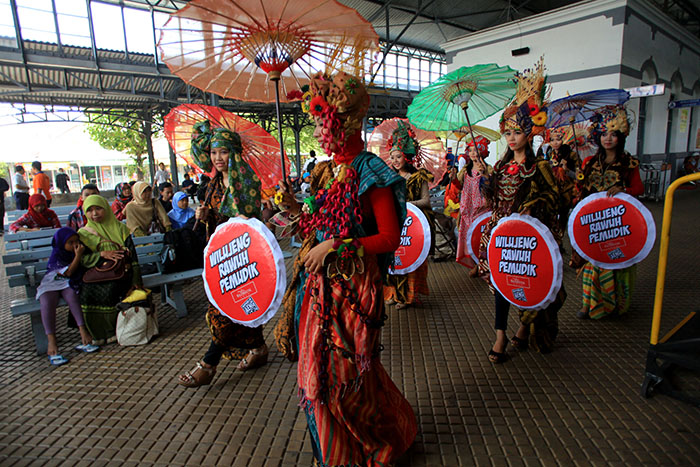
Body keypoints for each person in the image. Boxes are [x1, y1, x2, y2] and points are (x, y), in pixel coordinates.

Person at [274, 72, 417, 466]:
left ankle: (375, 445)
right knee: (317, 376)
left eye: (323, 123)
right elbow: (314, 225)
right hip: (317, 291)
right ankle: (339, 455)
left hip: (353, 291)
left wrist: (337, 245)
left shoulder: (372, 173)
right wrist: (291, 209)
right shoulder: (322, 172)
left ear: (346, 122)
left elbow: (389, 238)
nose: (319, 133)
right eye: (316, 125)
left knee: (347, 378)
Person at [479, 58, 566, 363]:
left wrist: (530, 207)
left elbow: (554, 198)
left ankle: (526, 329)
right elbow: (491, 199)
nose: (512, 138)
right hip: (501, 234)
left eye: (518, 132)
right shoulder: (501, 165)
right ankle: (501, 336)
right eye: (508, 133)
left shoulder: (539, 166)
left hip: (529, 237)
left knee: (529, 283)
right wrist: (484, 180)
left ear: (529, 133)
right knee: (502, 285)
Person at [177, 122, 269, 388]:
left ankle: (208, 364)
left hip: (243, 255)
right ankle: (259, 348)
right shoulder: (212, 184)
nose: (218, 158)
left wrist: (238, 219)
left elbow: (251, 220)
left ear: (235, 153)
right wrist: (205, 216)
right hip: (219, 255)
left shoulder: (247, 181)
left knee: (226, 308)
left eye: (224, 152)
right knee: (238, 305)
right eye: (214, 152)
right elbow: (217, 220)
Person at [574, 105, 644, 320]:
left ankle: (615, 304)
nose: (608, 138)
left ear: (621, 137)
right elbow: (581, 192)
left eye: (613, 134)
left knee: (616, 262)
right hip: (593, 222)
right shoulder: (589, 162)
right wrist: (579, 182)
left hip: (618, 223)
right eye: (603, 133)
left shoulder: (629, 163)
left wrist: (624, 190)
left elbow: (639, 189)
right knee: (591, 263)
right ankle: (588, 304)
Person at [383, 120, 435, 310]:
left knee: (409, 260)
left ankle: (408, 297)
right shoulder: (388, 178)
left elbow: (426, 201)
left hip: (412, 227)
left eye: (399, 156)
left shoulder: (418, 176)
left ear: (407, 156)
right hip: (393, 226)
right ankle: (393, 293)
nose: (395, 161)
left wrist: (406, 205)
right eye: (393, 157)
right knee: (391, 260)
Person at [78, 195, 142, 344]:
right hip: (97, 275)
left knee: (111, 289)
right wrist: (101, 254)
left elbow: (132, 256)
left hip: (122, 273)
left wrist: (136, 280)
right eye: (90, 210)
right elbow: (83, 260)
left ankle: (115, 330)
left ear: (106, 209)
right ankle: (98, 334)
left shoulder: (120, 228)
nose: (94, 214)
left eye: (98, 209)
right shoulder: (84, 233)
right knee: (87, 292)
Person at [37, 227, 98, 365]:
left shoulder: (79, 251)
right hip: (52, 283)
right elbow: (69, 272)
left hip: (67, 283)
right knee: (47, 302)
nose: (75, 245)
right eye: (70, 242)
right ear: (62, 243)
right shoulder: (57, 255)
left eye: (76, 241)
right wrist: (78, 256)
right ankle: (52, 342)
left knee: (72, 297)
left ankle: (83, 331)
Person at [456, 136, 492, 274]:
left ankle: (482, 264)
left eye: (475, 150)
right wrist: (454, 178)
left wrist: (485, 176)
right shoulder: (466, 169)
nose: (472, 153)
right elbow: (458, 186)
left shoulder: (488, 168)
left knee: (481, 236)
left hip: (482, 209)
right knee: (469, 237)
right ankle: (474, 264)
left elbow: (492, 188)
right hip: (467, 209)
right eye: (470, 150)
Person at [543, 127, 581, 232]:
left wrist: (567, 170)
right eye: (552, 140)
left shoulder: (572, 155)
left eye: (558, 139)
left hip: (567, 192)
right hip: (551, 191)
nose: (555, 143)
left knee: (564, 220)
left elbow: (580, 176)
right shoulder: (548, 155)